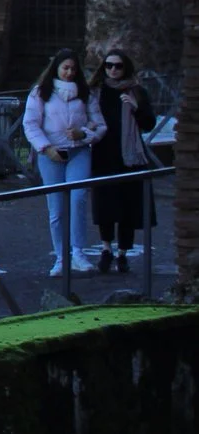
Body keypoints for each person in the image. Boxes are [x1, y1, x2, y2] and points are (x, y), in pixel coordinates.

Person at [23, 49, 103, 279]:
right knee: (57, 207)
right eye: (65, 68)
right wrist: (46, 148)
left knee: (78, 198)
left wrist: (84, 134)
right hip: (51, 154)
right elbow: (31, 124)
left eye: (73, 69)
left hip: (78, 152)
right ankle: (61, 255)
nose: (69, 73)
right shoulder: (40, 93)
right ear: (56, 68)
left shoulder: (84, 93)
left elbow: (99, 123)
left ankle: (78, 251)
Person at [89, 51, 155, 273]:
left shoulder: (136, 91)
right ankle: (106, 249)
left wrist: (136, 108)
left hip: (130, 158)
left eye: (118, 66)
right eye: (109, 66)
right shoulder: (96, 92)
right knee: (105, 207)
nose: (113, 70)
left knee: (128, 208)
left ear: (125, 68)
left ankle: (123, 253)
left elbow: (149, 124)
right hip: (103, 155)